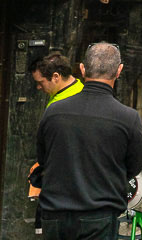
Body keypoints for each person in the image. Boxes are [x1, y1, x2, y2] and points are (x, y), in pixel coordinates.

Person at [36, 41, 142, 240]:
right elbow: (134, 165)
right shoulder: (127, 118)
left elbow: (43, 158)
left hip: (55, 213)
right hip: (99, 212)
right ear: (118, 71)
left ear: (82, 69)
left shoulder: (54, 111)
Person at [29, 53, 85, 234]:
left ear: (56, 77)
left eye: (41, 82)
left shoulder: (65, 104)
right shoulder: (74, 91)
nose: (38, 87)